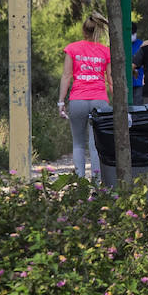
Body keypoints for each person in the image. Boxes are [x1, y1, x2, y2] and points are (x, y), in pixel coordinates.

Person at [58, 12, 112, 180]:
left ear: (83, 31)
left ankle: (80, 182)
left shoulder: (72, 48)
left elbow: (66, 76)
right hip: (100, 100)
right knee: (96, 145)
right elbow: (110, 80)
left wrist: (61, 101)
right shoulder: (105, 51)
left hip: (78, 100)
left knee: (78, 143)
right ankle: (96, 184)